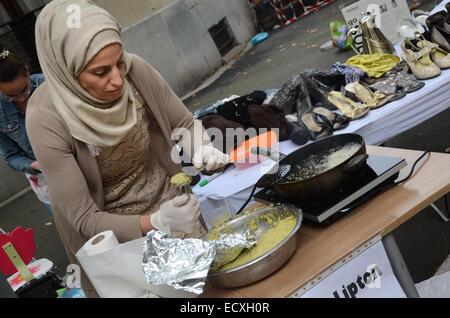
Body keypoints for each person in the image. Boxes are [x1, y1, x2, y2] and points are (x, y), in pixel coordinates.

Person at [26, 0, 229, 297]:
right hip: (118, 245)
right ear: (66, 70)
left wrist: (201, 147)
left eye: (119, 62)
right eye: (100, 72)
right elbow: (83, 218)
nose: (118, 79)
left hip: (173, 209)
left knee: (209, 294)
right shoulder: (46, 117)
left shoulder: (136, 71)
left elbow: (183, 123)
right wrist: (155, 223)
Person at [0, 44, 52, 215]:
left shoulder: (49, 84)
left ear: (27, 70)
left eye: (25, 89)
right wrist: (32, 165)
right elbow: (11, 156)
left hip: (77, 163)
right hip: (43, 180)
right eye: (12, 96)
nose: (22, 98)